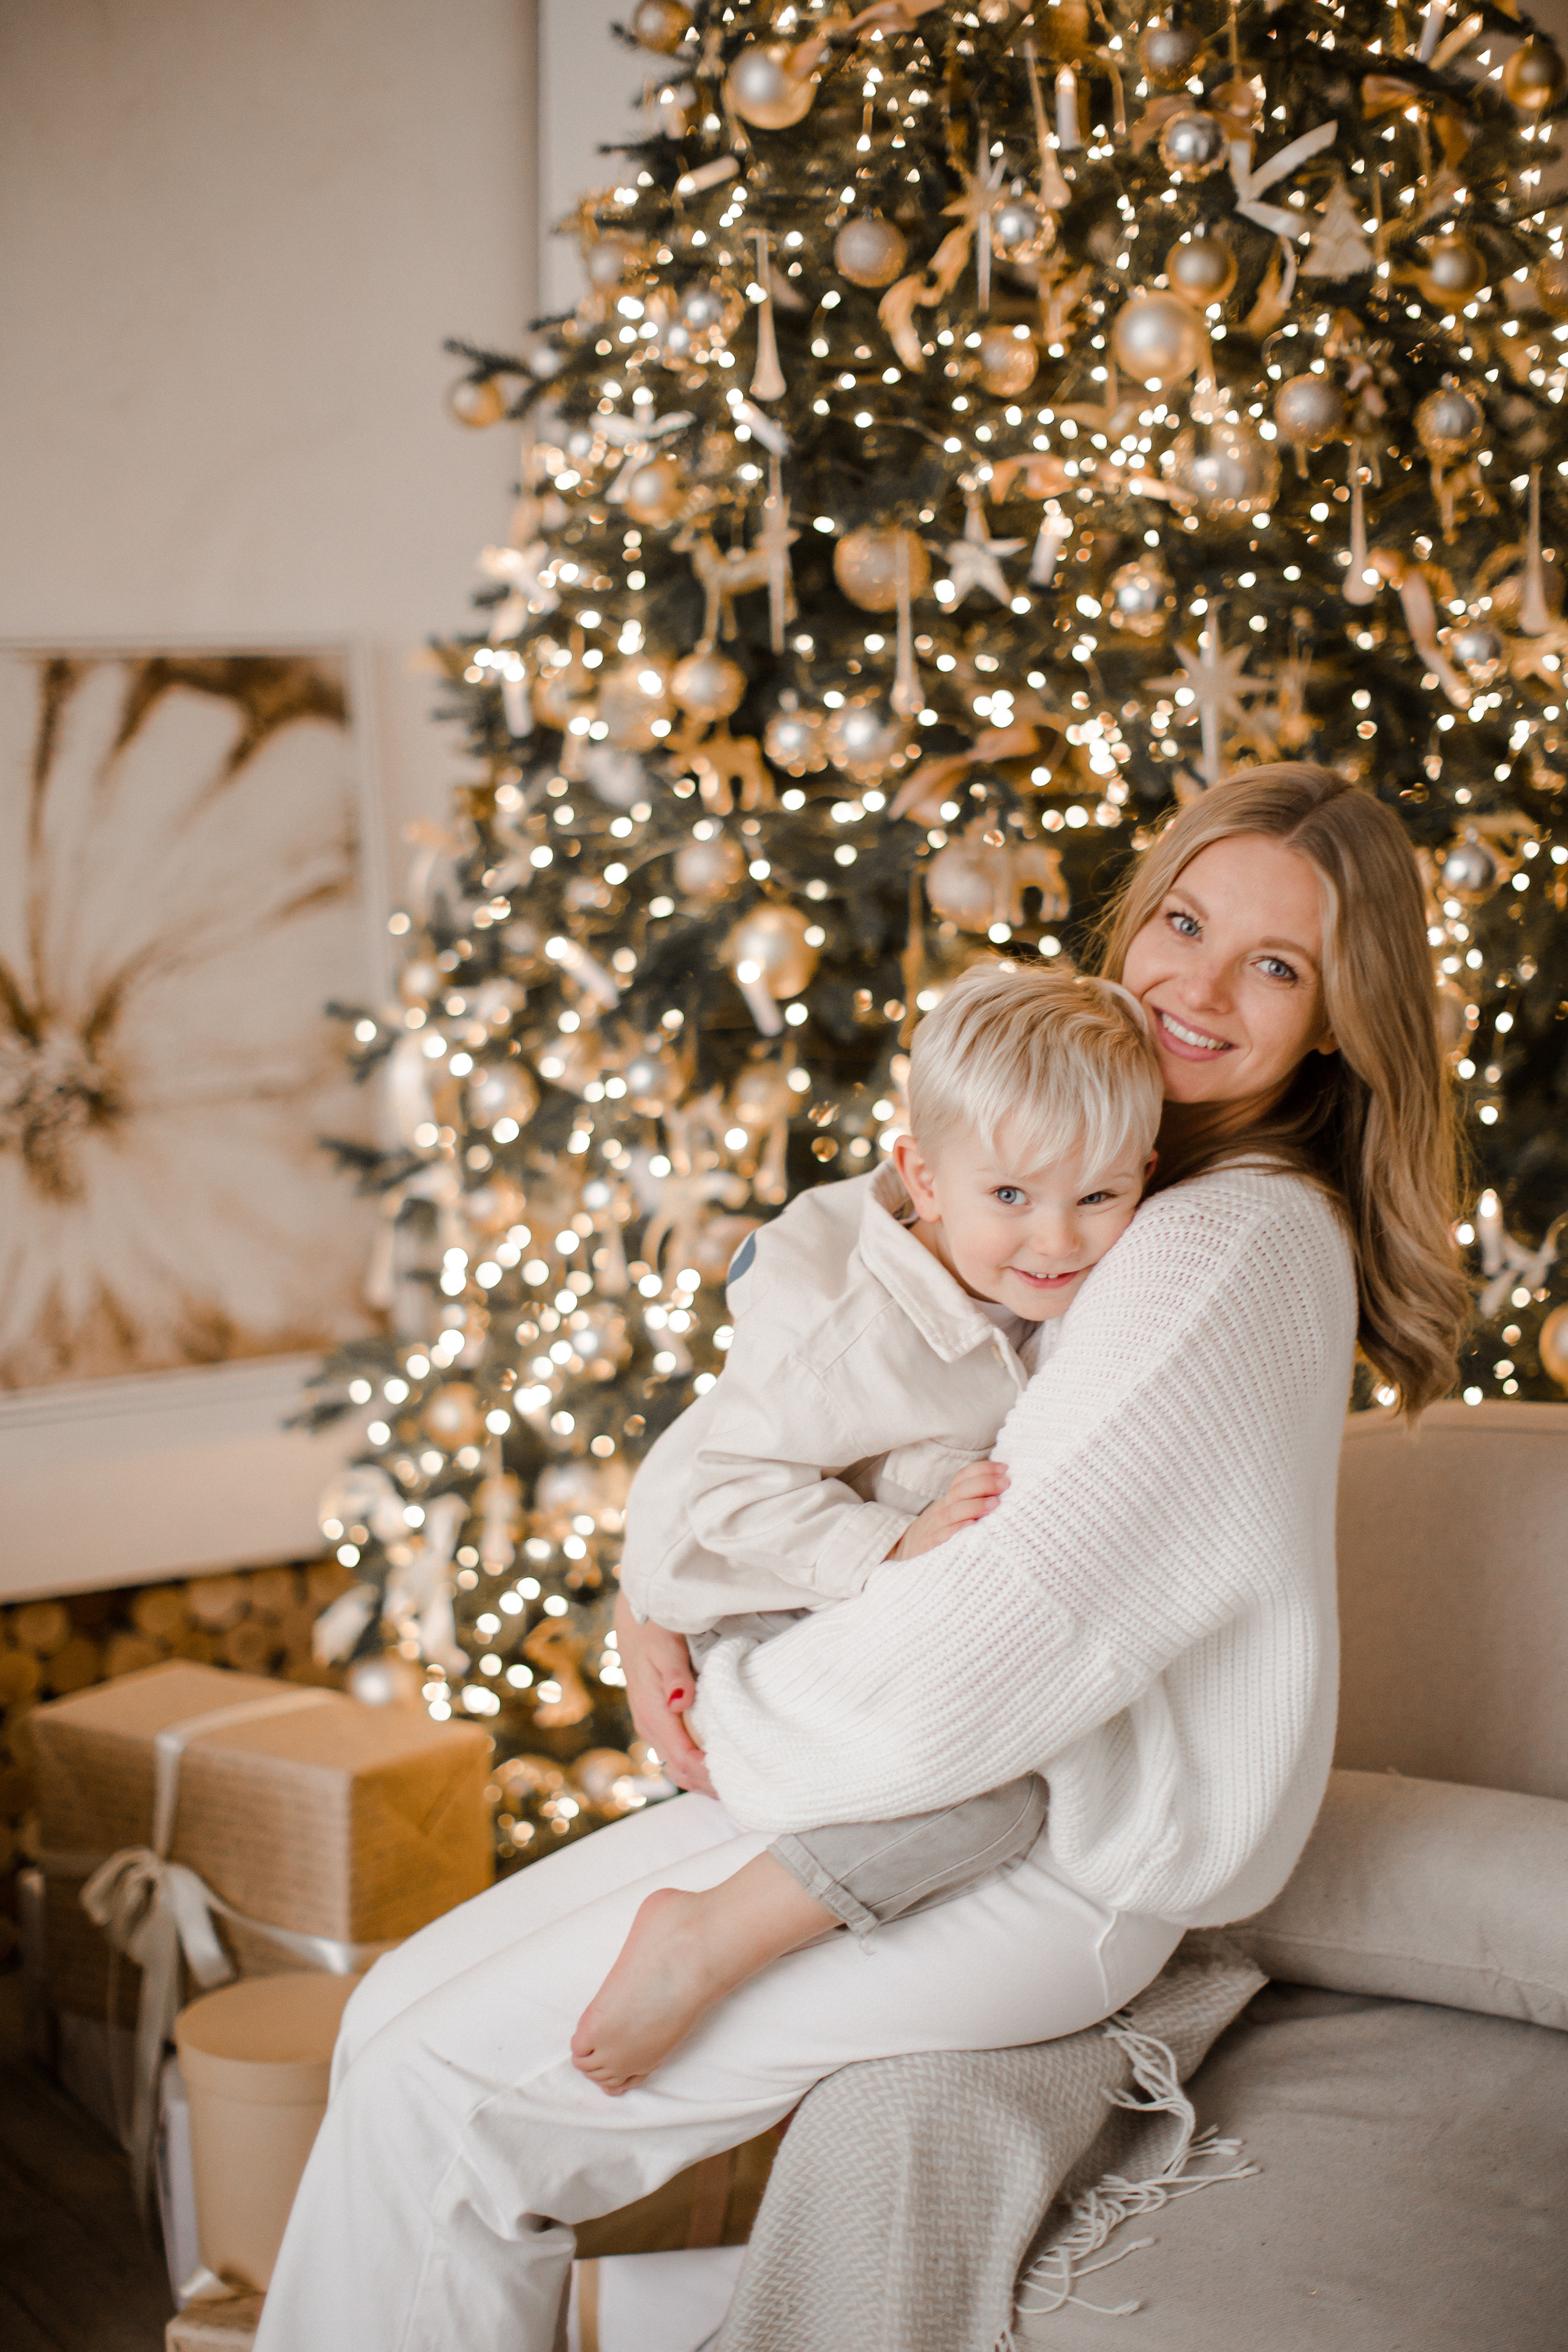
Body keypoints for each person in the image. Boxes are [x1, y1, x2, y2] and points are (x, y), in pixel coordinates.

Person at [254, 766, 1468, 2352]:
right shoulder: (1084, 1177)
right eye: (1184, 919)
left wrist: (731, 1731)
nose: (1199, 984)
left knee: (446, 2110)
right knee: (392, 2032)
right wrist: (661, 1586)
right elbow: (801, 1391)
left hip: (1037, 1866)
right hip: (889, 1812)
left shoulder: (1224, 1244)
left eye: (1276, 965)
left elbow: (963, 1676)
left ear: (1338, 1019)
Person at [572, 962, 1163, 2091]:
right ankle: (704, 1937)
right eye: (1012, 1199)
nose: (1058, 1241)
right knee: (997, 1795)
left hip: (813, 1575)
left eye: (1100, 1198)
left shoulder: (1041, 1275)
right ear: (920, 1177)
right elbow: (729, 1494)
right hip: (747, 1598)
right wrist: (885, 1543)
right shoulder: (845, 1334)